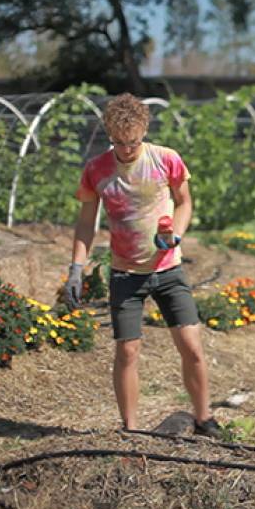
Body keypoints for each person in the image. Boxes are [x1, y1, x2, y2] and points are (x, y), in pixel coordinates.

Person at [63, 93, 220, 438]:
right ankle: (131, 429)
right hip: (125, 273)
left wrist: (175, 235)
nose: (127, 149)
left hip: (168, 268)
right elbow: (86, 222)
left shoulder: (166, 159)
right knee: (127, 350)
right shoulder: (97, 170)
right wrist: (76, 267)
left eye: (132, 141)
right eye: (119, 142)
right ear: (110, 136)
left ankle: (205, 418)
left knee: (191, 346)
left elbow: (184, 203)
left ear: (144, 131)